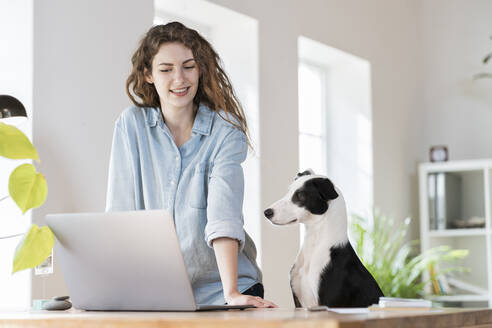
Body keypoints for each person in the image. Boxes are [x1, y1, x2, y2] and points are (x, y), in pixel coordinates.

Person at [105, 22, 276, 308]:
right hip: (159, 294)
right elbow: (121, 214)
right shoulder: (131, 125)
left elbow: (223, 215)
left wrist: (231, 293)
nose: (179, 79)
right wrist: (110, 290)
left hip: (221, 290)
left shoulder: (225, 130)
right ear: (147, 74)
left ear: (200, 70)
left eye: (188, 66)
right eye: (166, 69)